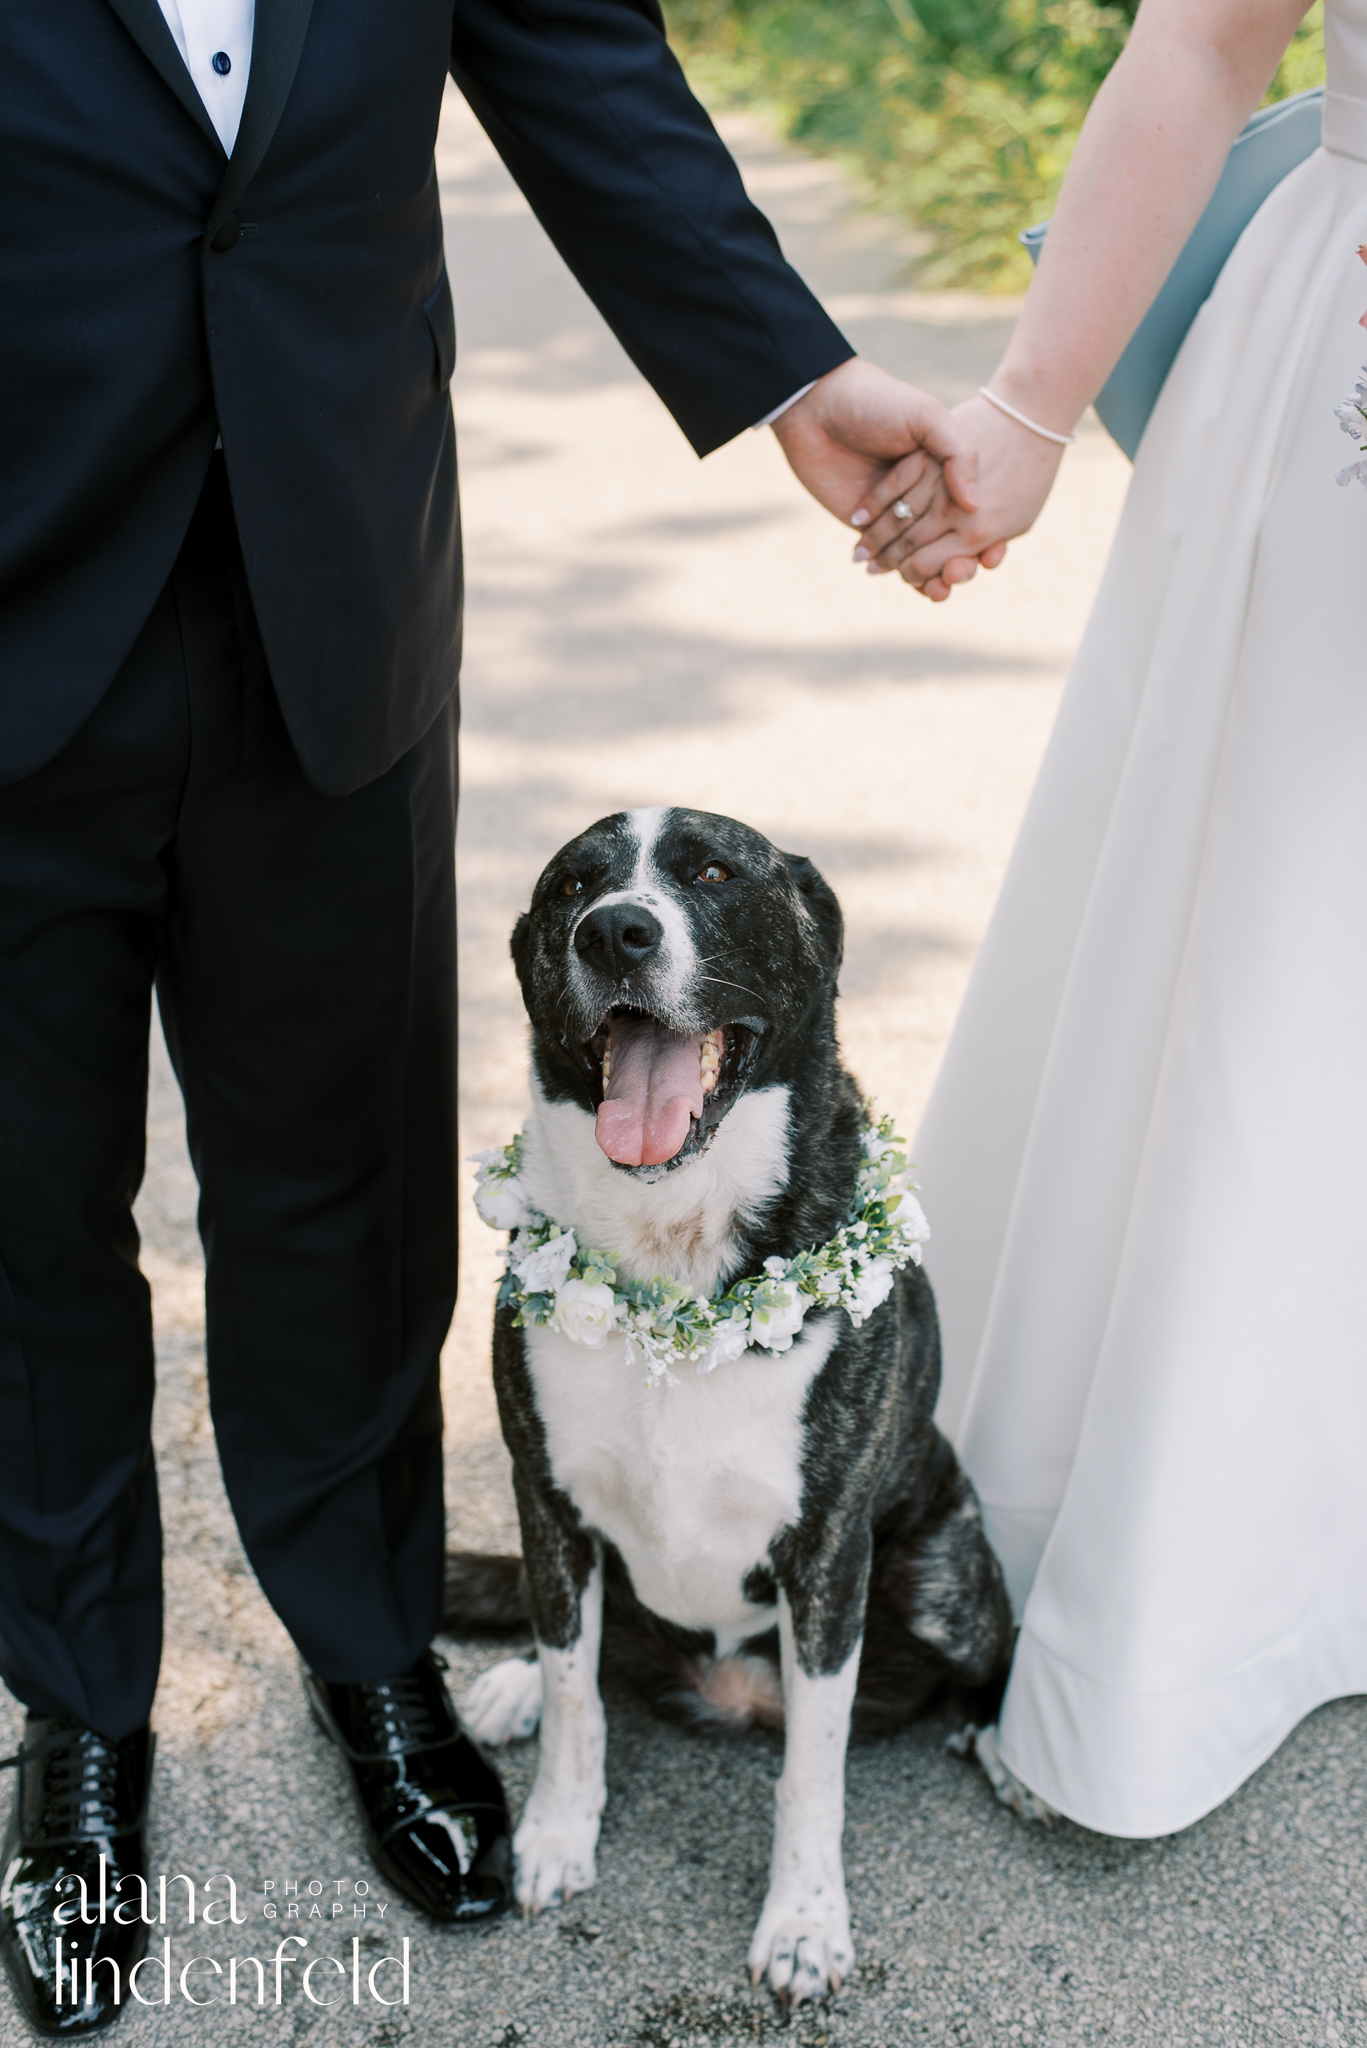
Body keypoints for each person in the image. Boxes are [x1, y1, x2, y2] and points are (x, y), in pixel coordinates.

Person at [0, 0, 977, 2032]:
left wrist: (794, 366)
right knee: (20, 1214)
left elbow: (563, 38)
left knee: (339, 1179)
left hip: (333, 575)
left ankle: (372, 1654)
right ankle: (80, 1716)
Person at [840, 0, 1367, 1838]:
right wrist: (1027, 409)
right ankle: (1191, 1576)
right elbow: (1211, 39)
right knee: (1275, 956)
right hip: (1343, 373)